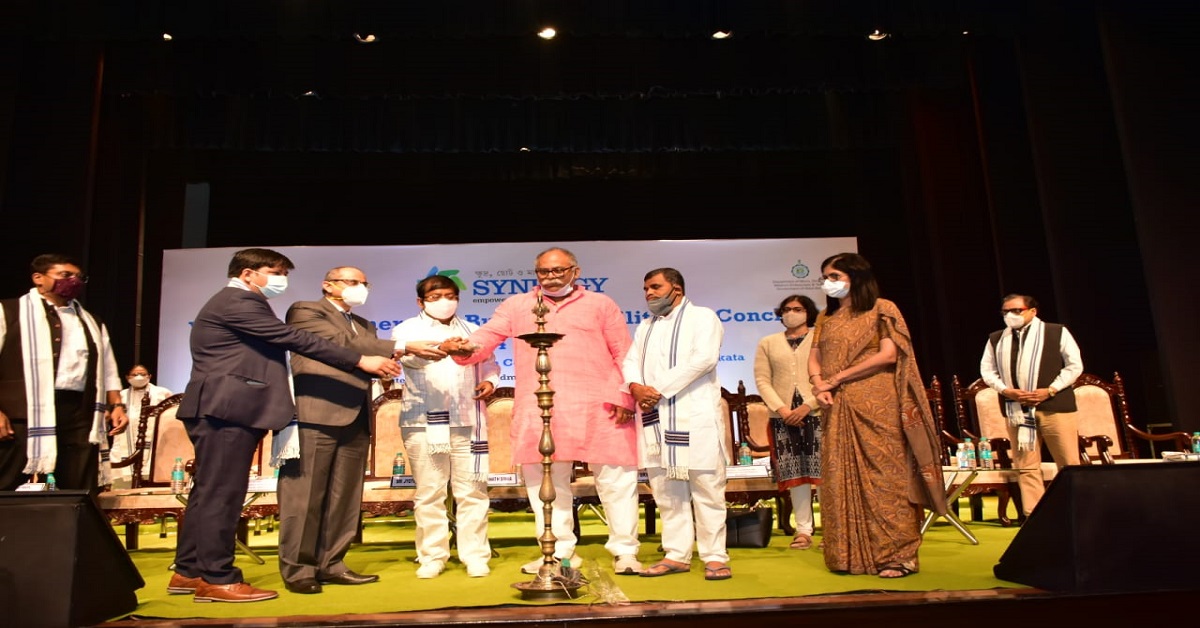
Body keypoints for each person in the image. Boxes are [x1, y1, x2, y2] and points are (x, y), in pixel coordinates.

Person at [168, 248, 401, 603]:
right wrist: (360, 359)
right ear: (248, 273)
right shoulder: (238, 301)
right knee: (222, 495)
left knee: (209, 492)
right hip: (226, 407)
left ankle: (188, 571)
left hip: (225, 408)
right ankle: (217, 578)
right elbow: (296, 338)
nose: (282, 280)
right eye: (275, 272)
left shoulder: (241, 302)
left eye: (284, 274)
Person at [445, 246, 644, 576]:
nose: (550, 277)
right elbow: (487, 336)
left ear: (575, 272)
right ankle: (558, 552)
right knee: (545, 483)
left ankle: (625, 551)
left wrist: (624, 396)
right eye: (543, 272)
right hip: (541, 406)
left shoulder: (601, 304)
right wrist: (465, 347)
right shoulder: (517, 305)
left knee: (616, 480)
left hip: (601, 404)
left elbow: (624, 352)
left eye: (558, 271)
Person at [807, 252, 944, 579]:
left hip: (876, 402)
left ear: (856, 277)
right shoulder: (827, 316)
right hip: (836, 405)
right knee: (840, 476)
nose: (828, 283)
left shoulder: (882, 308)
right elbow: (815, 355)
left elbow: (888, 355)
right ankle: (848, 556)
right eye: (825, 277)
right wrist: (817, 383)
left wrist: (836, 378)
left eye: (834, 276)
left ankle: (898, 556)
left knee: (886, 476)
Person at [276, 266, 410, 595]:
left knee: (344, 497)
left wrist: (385, 368)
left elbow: (363, 353)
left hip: (356, 416)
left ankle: (332, 563)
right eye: (352, 282)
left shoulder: (364, 324)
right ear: (328, 285)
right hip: (315, 414)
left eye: (364, 283)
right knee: (304, 497)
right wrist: (405, 344)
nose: (359, 288)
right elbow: (341, 343)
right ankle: (299, 569)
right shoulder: (306, 311)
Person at [622, 268, 731, 581]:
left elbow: (704, 359)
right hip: (656, 422)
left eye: (655, 287)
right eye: (645, 289)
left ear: (677, 289)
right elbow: (631, 361)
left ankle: (714, 556)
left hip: (695, 417)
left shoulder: (703, 317)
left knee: (708, 491)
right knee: (668, 494)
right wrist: (635, 387)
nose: (649, 293)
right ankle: (676, 554)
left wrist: (656, 389)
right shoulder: (646, 326)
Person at [391, 274, 501, 579]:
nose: (445, 302)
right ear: (421, 302)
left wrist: (490, 380)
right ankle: (432, 556)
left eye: (451, 296)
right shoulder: (407, 330)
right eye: (436, 297)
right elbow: (412, 361)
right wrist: (444, 346)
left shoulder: (472, 330)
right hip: (422, 423)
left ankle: (475, 555)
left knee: (473, 491)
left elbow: (490, 362)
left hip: (467, 419)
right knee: (430, 492)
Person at [0, 253, 129, 492]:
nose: (73, 281)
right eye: (65, 275)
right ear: (38, 278)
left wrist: (117, 405)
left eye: (79, 277)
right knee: (7, 481)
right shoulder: (9, 311)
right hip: (21, 412)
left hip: (78, 410)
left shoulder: (91, 321)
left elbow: (108, 368)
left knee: (78, 485)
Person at [979, 293, 1083, 518]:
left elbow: (1074, 366)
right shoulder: (997, 338)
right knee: (1026, 466)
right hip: (1017, 410)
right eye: (1006, 311)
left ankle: (1076, 512)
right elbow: (987, 371)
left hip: (1055, 406)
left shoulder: (1056, 332)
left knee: (1068, 463)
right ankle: (1034, 515)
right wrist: (1006, 390)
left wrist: (1051, 389)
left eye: (1016, 310)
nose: (1010, 315)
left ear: (1032, 311)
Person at [753, 294, 822, 551]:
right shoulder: (768, 342)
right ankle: (803, 530)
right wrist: (782, 409)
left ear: (808, 312)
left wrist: (807, 406)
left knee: (824, 474)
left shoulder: (820, 339)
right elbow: (762, 380)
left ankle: (832, 531)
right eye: (786, 309)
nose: (791, 313)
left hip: (818, 413)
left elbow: (829, 376)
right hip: (783, 418)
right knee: (796, 474)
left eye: (797, 309)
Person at [111, 364, 174, 486]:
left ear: (149, 376)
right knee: (121, 480)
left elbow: (171, 415)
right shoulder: (121, 395)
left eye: (143, 374)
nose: (139, 377)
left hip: (154, 440)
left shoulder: (162, 393)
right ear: (127, 377)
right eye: (134, 374)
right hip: (126, 437)